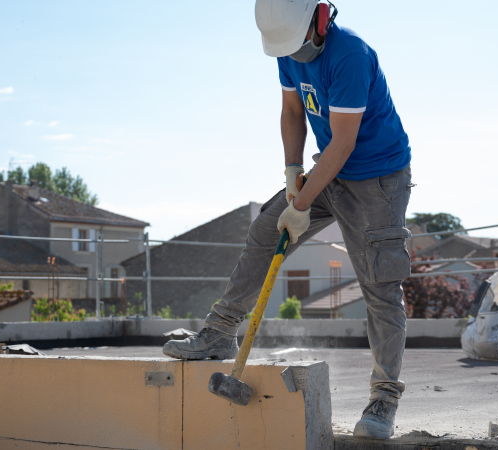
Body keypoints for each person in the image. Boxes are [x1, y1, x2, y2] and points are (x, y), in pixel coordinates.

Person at [163, 0, 412, 440]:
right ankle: (221, 332)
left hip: (376, 180)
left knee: (379, 286)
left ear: (320, 18)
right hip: (326, 171)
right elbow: (293, 112)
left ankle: (383, 399)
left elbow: (344, 143)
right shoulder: (287, 46)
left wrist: (299, 206)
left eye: (299, 47)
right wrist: (292, 173)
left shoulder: (350, 54)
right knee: (264, 230)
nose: (295, 57)